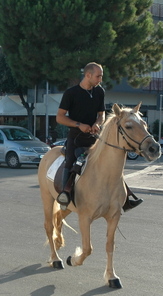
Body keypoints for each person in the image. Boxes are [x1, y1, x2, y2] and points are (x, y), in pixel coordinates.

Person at [56, 62, 142, 211]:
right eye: (98, 76)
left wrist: (97, 123)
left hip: (94, 137)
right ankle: (65, 194)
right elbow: (60, 117)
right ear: (88, 75)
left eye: (101, 76)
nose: (100, 79)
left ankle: (126, 197)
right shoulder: (71, 93)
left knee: (111, 163)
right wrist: (79, 125)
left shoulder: (99, 91)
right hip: (76, 138)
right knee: (70, 161)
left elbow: (101, 115)